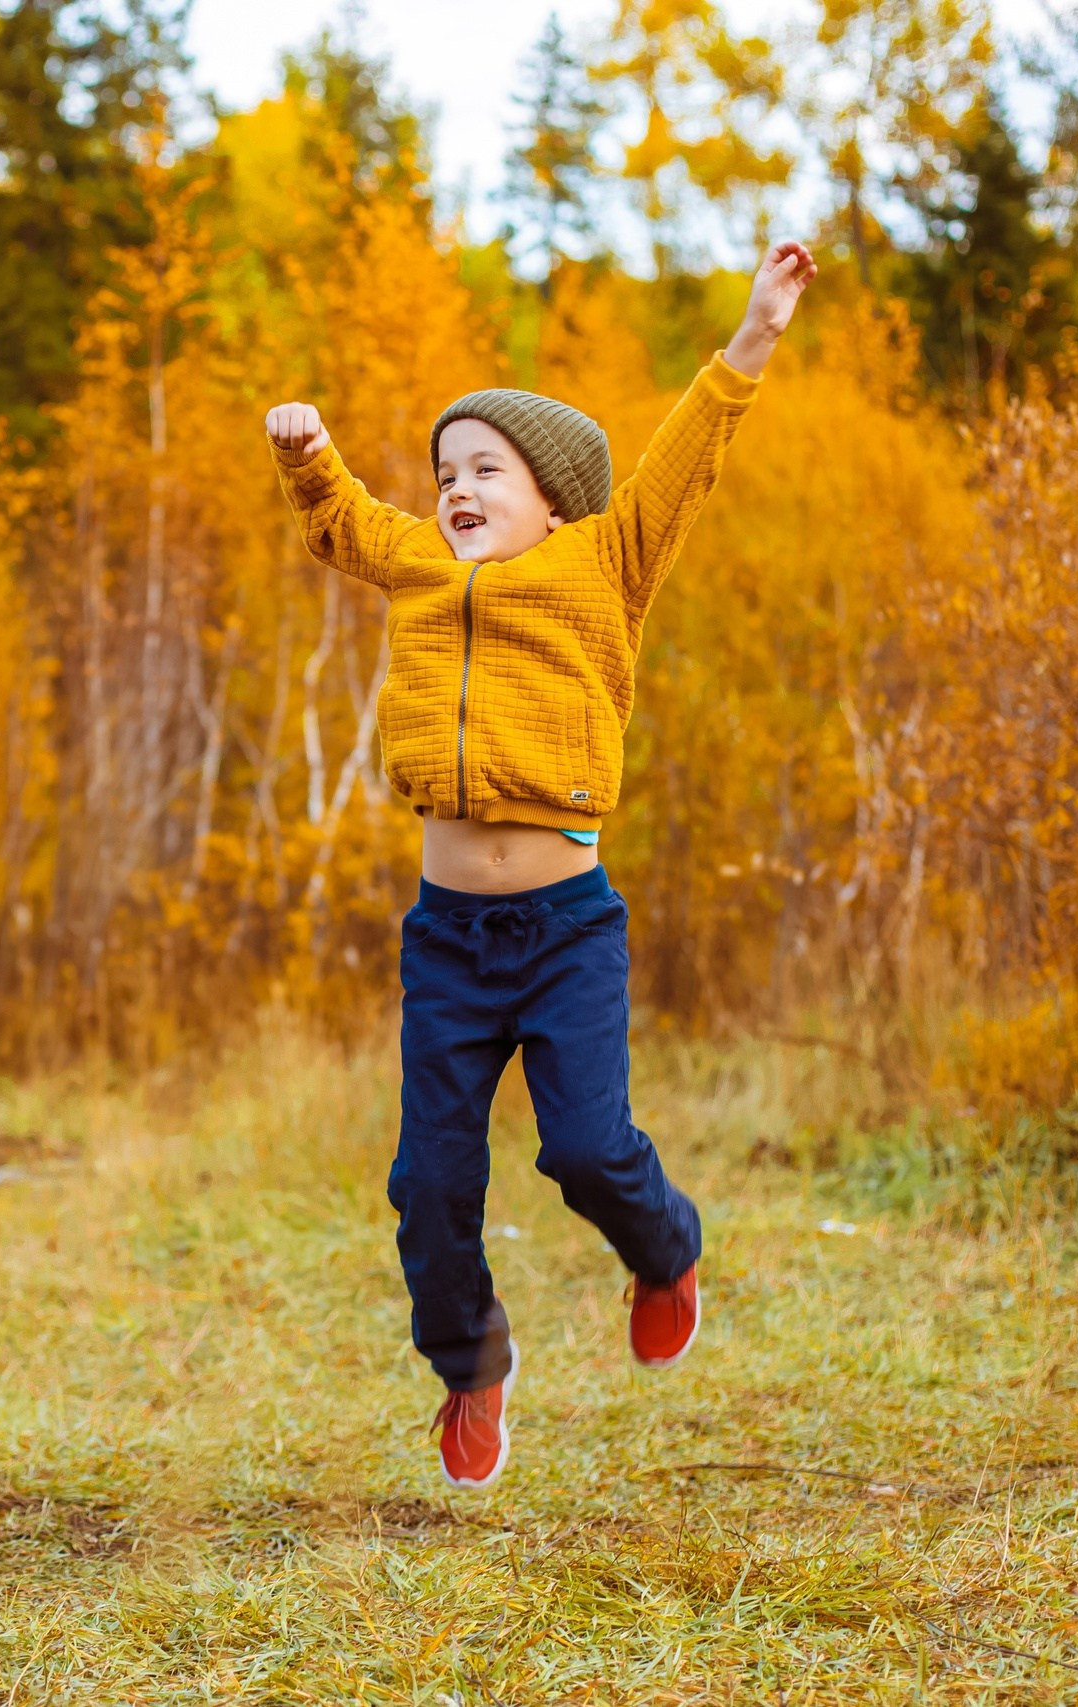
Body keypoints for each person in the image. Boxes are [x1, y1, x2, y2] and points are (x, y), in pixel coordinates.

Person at [261, 240, 818, 1490]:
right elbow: (343, 519)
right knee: (429, 1182)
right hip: (448, 940)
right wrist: (308, 456)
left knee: (583, 1146)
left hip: (566, 926)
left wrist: (756, 334)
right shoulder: (416, 564)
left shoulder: (602, 565)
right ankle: (470, 1366)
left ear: (554, 497)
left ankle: (664, 1249)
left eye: (483, 472)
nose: (454, 490)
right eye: (444, 471)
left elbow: (688, 457)